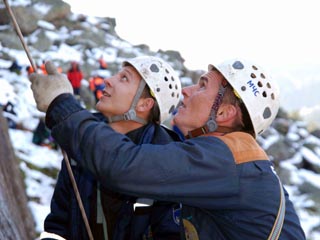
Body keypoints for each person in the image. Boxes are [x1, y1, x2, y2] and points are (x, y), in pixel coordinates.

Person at [30, 58, 306, 239]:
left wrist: (61, 103)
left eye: (201, 85)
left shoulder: (225, 158)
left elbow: (124, 166)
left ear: (223, 113)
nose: (186, 91)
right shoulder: (233, 159)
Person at [38, 56, 182, 240]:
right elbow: (58, 225)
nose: (108, 80)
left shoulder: (165, 161)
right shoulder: (83, 140)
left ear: (144, 104)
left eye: (124, 78)